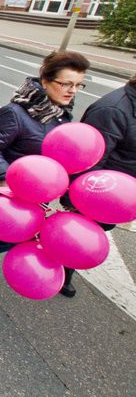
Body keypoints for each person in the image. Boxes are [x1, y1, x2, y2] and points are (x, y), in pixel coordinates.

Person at [0, 52, 90, 300]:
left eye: (78, 85)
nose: (72, 91)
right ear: (45, 81)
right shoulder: (15, 113)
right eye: (66, 84)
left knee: (20, 237)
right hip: (4, 193)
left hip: (37, 196)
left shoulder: (62, 116)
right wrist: (7, 179)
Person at [59, 72, 136, 297]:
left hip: (121, 193)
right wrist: (76, 197)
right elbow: (89, 158)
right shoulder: (113, 110)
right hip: (100, 190)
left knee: (98, 227)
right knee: (81, 231)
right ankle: (63, 268)